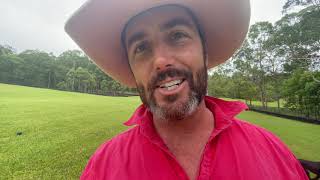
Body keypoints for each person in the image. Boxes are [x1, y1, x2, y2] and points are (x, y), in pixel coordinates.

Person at [65, 0, 308, 179]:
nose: (160, 61)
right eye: (141, 48)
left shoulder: (272, 151)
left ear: (205, 50)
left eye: (178, 35)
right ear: (131, 69)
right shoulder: (104, 166)